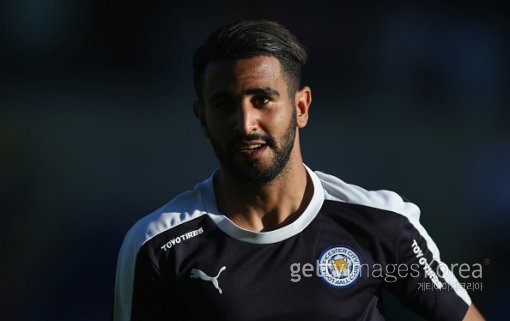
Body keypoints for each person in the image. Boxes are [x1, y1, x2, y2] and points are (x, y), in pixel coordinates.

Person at [112, 20, 485, 321]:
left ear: (301, 107)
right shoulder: (157, 246)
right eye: (225, 105)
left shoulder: (381, 222)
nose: (246, 123)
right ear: (202, 119)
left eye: (263, 100)